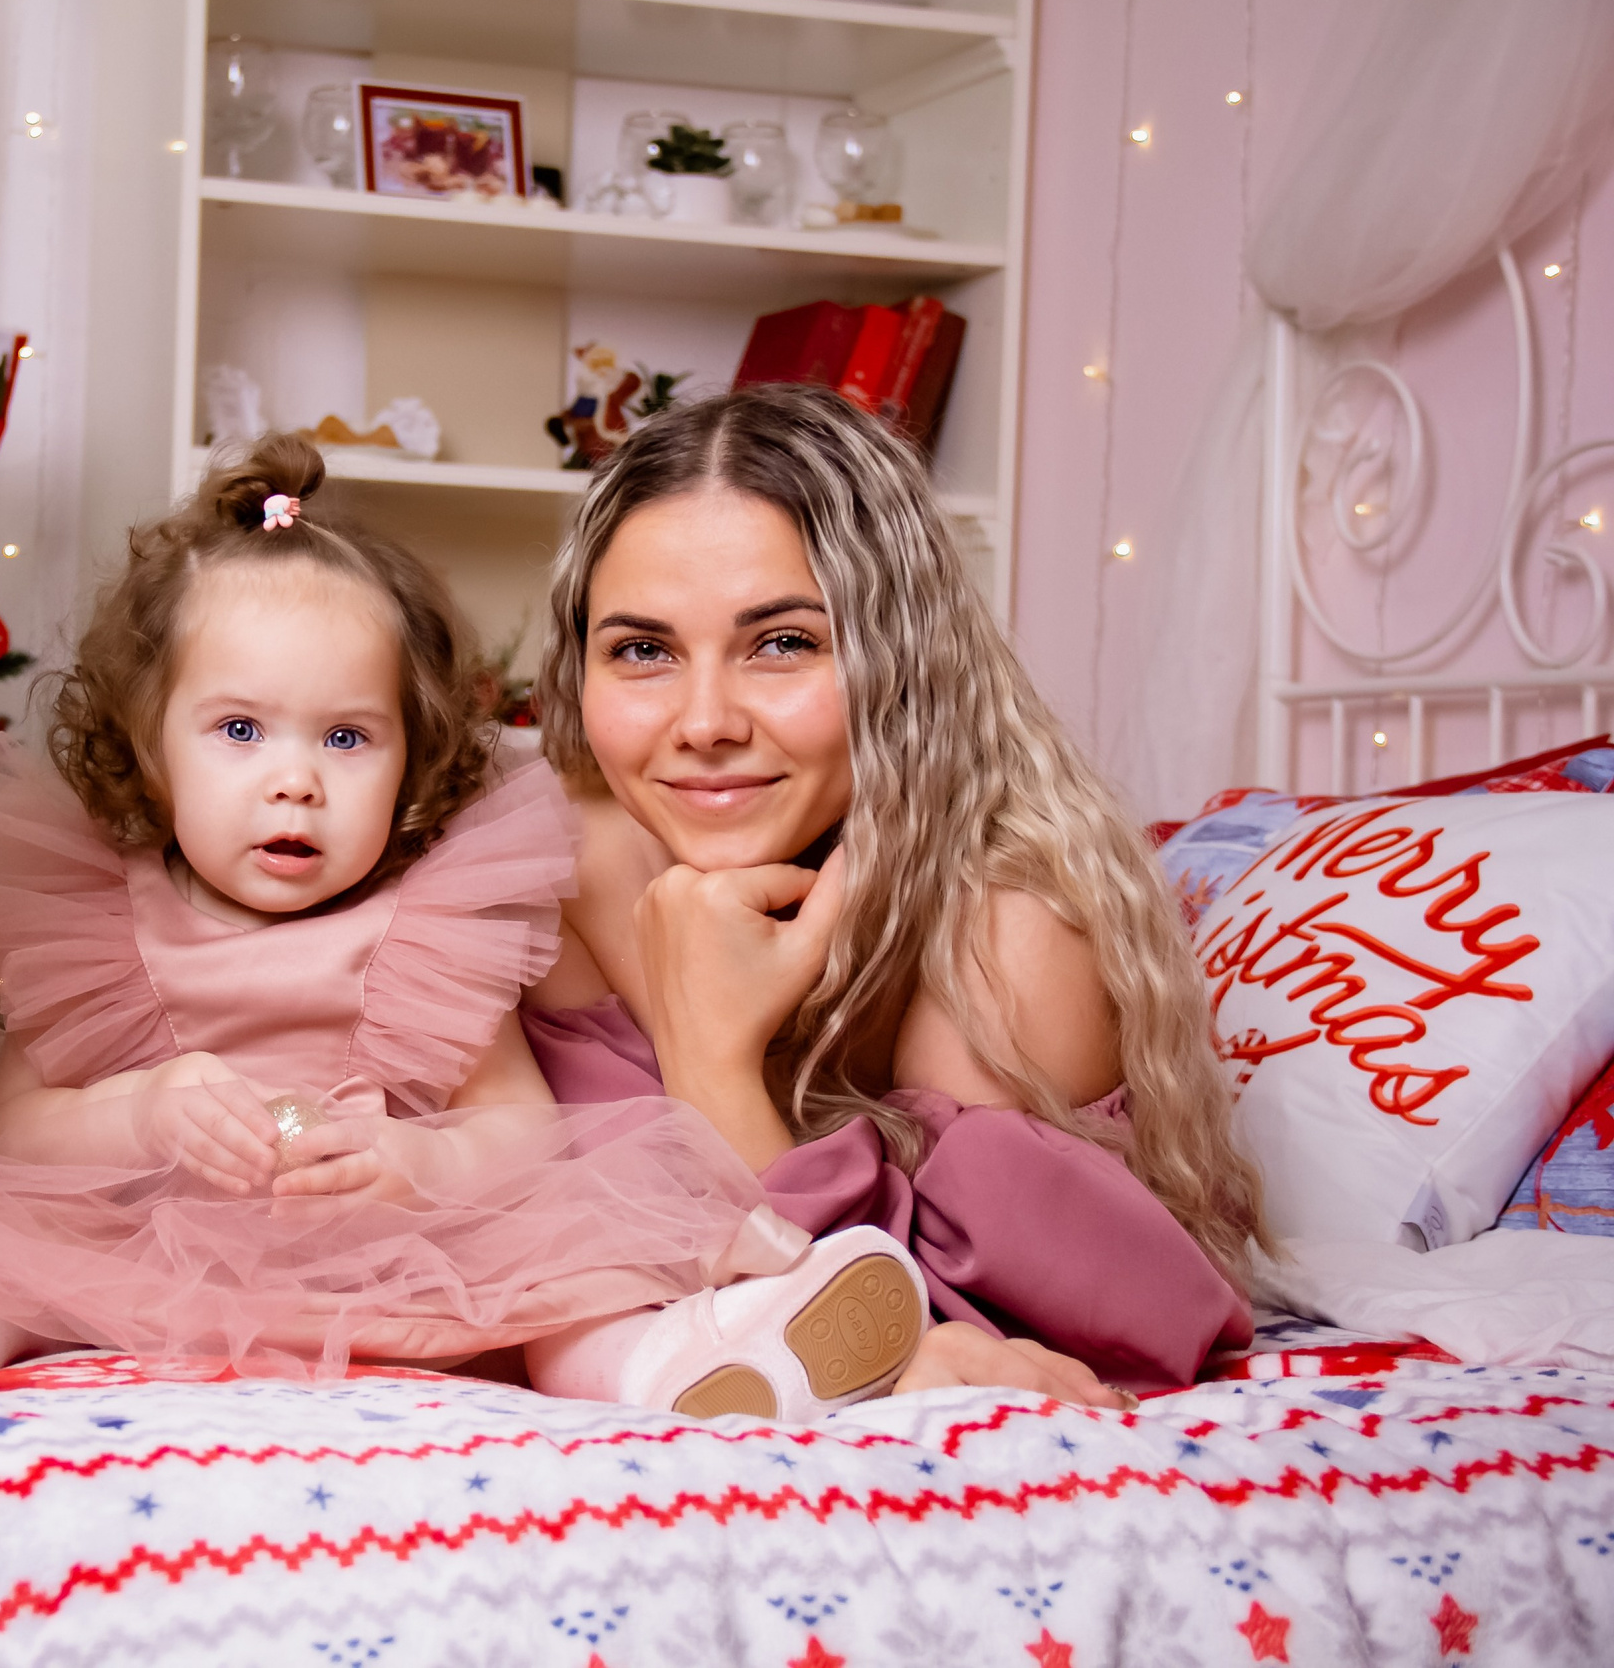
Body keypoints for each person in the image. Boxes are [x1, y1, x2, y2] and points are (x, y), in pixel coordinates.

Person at [0, 435, 932, 1425]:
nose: (294, 781)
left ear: (412, 755)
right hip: (137, 1239)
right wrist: (145, 1112)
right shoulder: (103, 922)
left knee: (566, 1285)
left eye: (344, 737)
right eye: (238, 731)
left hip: (389, 1242)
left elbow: (520, 1126)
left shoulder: (428, 928)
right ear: (149, 752)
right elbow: (7, 1129)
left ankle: (689, 1370)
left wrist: (418, 1167)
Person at [517, 385, 1265, 1401]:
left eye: (781, 642)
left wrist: (713, 1060)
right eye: (642, 651)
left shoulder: (1004, 932)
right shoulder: (549, 865)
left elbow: (995, 1337)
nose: (701, 723)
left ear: (898, 661)